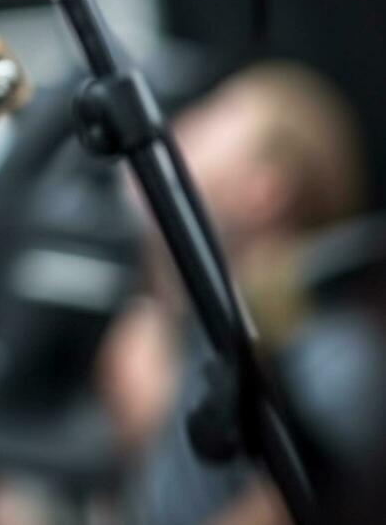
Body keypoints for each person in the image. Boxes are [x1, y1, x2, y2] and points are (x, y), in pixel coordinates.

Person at [108, 62, 386, 525]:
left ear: (266, 189)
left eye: (216, 117)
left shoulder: (333, 349)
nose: (185, 129)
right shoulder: (191, 338)